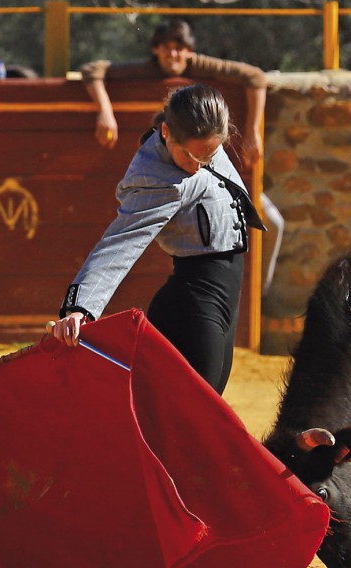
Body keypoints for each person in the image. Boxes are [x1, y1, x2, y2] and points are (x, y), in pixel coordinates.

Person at [53, 84, 265, 396]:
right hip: (194, 304)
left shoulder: (196, 130)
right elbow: (120, 241)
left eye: (209, 154)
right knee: (198, 409)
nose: (198, 166)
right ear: (165, 132)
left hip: (219, 294)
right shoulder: (157, 178)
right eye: (191, 155)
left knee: (203, 404)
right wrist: (79, 307)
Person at [80, 19, 284, 294]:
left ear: (189, 51)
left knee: (274, 222)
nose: (173, 55)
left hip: (209, 185)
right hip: (171, 186)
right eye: (167, 48)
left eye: (180, 48)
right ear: (156, 50)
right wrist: (105, 110)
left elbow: (256, 77)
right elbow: (94, 69)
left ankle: (262, 295)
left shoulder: (199, 67)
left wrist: (252, 133)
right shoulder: (147, 71)